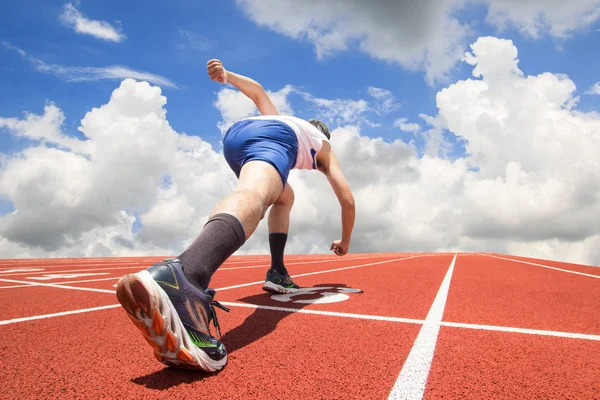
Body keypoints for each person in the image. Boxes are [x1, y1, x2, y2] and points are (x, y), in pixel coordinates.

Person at [116, 59, 356, 372]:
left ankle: (277, 272)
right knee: (256, 196)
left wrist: (227, 76)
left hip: (238, 137)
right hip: (272, 140)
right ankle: (187, 275)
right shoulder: (320, 145)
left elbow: (257, 92)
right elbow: (347, 200)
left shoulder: (285, 120)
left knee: (283, 196)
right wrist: (346, 241)